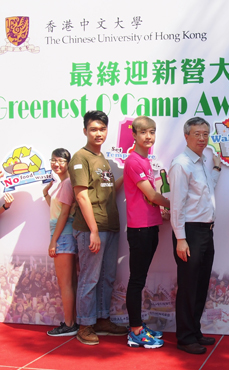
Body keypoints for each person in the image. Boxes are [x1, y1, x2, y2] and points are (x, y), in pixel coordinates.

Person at [69, 110, 127, 345]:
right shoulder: (79, 158)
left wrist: (133, 173)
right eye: (93, 129)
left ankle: (102, 319)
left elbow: (110, 189)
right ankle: (85, 324)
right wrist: (93, 230)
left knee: (107, 277)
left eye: (102, 129)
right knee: (89, 278)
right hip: (91, 229)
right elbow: (81, 196)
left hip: (110, 226)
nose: (98, 133)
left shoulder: (102, 159)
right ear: (85, 131)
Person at [169, 117, 221, 355]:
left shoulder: (201, 162)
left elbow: (208, 187)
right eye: (197, 134)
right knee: (189, 286)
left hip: (206, 231)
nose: (202, 138)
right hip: (189, 232)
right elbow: (177, 205)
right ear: (186, 136)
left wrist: (217, 168)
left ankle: (195, 330)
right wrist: (180, 238)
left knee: (200, 285)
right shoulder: (181, 164)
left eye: (205, 134)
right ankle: (185, 337)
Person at [124, 116, 170, 349]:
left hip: (150, 226)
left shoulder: (145, 160)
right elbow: (151, 196)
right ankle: (134, 331)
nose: (148, 136)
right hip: (140, 229)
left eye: (152, 131)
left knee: (140, 279)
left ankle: (139, 326)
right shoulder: (133, 161)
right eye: (143, 132)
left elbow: (149, 200)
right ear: (134, 135)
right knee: (137, 280)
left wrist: (161, 213)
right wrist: (177, 206)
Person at [42, 148, 78, 336]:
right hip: (64, 233)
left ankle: (69, 324)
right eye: (53, 160)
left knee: (65, 283)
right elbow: (57, 210)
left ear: (68, 163)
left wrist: (53, 241)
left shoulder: (66, 184)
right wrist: (46, 193)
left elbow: (64, 214)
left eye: (60, 161)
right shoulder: (63, 184)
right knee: (69, 282)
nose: (56, 164)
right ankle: (72, 322)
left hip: (62, 235)